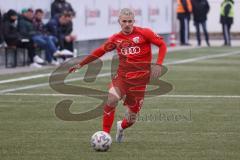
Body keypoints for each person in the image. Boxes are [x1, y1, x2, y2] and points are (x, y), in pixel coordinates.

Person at [68, 8, 167, 142]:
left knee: (131, 119)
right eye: (124, 21)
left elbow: (162, 45)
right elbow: (99, 51)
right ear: (119, 22)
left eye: (130, 21)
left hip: (139, 82)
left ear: (134, 21)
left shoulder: (144, 33)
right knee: (112, 99)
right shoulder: (116, 39)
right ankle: (105, 135)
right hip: (122, 77)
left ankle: (121, 126)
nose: (127, 24)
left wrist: (159, 64)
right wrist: (81, 64)